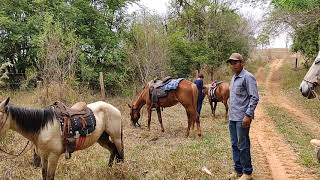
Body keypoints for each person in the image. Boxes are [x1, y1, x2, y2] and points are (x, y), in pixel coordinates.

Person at [227, 53, 259, 180]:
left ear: (242, 63)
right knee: (235, 144)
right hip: (232, 117)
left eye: (235, 62)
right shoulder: (234, 78)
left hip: (242, 118)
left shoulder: (248, 77)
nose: (233, 65)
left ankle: (247, 172)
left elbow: (254, 97)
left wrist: (248, 115)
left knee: (243, 144)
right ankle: (238, 170)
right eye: (231, 63)